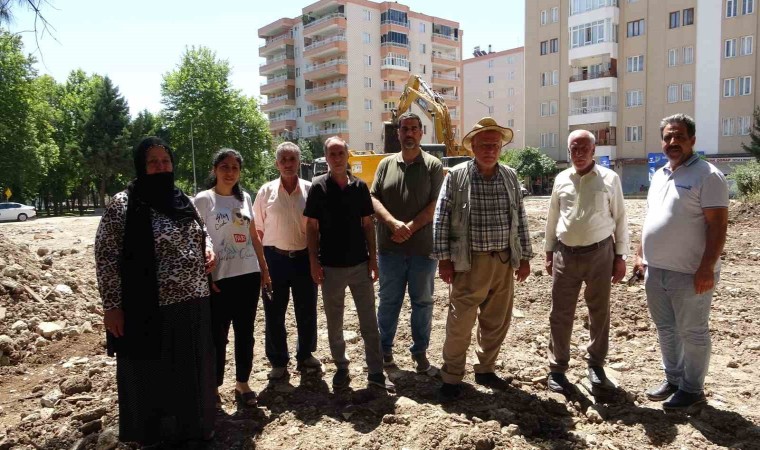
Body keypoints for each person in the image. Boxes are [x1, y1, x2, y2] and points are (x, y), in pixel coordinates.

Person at [95, 137, 216, 445]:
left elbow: (202, 232)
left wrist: (210, 250)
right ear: (141, 166)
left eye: (166, 161)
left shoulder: (182, 199)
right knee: (152, 374)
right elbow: (106, 256)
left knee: (191, 372)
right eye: (153, 162)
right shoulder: (124, 204)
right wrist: (112, 307)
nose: (161, 166)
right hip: (149, 309)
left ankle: (193, 429)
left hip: (194, 303)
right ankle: (155, 436)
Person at [433, 117, 533, 401]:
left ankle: (485, 369)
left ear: (500, 147)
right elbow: (441, 218)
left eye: (495, 145)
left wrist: (524, 257)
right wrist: (444, 260)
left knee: (496, 321)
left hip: (502, 262)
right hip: (469, 263)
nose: (490, 149)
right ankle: (452, 376)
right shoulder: (456, 176)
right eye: (484, 145)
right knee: (460, 323)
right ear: (473, 147)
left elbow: (521, 218)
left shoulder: (511, 176)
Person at [634, 113, 728, 411]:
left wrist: (706, 267)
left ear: (692, 141)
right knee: (666, 328)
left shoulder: (708, 175)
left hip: (690, 272)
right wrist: (640, 254)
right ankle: (673, 379)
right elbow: (651, 218)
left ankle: (692, 389)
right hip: (656, 269)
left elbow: (718, 226)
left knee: (693, 331)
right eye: (668, 137)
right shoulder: (661, 174)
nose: (673, 142)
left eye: (679, 136)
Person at [304, 136, 394, 392]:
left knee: (368, 321)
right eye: (331, 154)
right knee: (335, 322)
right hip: (330, 267)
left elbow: (368, 224)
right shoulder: (318, 187)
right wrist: (313, 261)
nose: (336, 158)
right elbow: (311, 226)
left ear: (347, 155)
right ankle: (342, 367)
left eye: (340, 153)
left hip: (359, 266)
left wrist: (373, 259)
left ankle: (376, 372)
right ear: (326, 157)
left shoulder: (360, 187)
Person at [544, 130, 629, 394]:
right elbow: (552, 217)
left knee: (599, 312)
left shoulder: (609, 179)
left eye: (583, 149)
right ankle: (557, 367)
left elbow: (621, 219)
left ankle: (596, 365)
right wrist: (548, 252)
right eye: (573, 149)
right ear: (568, 152)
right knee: (560, 313)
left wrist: (620, 257)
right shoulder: (561, 179)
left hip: (600, 255)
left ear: (594, 151)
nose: (578, 154)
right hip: (565, 255)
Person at [194, 148, 270, 407]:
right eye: (224, 167)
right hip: (218, 278)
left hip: (247, 275)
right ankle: (214, 388)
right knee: (217, 335)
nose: (230, 172)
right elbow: (196, 240)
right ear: (214, 169)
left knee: (245, 332)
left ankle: (242, 383)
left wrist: (264, 268)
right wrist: (205, 276)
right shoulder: (204, 200)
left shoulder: (244, 198)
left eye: (235, 168)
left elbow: (253, 235)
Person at [370, 112, 444, 376]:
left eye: (414, 128)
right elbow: (373, 198)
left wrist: (409, 227)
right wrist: (392, 224)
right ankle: (384, 350)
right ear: (398, 133)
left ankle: (420, 352)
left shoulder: (433, 165)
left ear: (421, 132)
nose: (409, 133)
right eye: (405, 129)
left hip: (423, 250)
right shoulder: (385, 164)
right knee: (389, 301)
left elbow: (436, 203)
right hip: (389, 249)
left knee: (422, 302)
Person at [253, 142, 321, 380]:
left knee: (307, 309)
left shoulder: (311, 190)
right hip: (274, 259)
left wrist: (316, 259)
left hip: (304, 258)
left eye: (292, 159)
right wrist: (262, 264)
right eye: (283, 160)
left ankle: (305, 355)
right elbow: (257, 230)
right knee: (274, 312)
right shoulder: (265, 192)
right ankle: (278, 361)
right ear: (276, 164)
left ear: (299, 161)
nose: (288, 164)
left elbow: (318, 227)